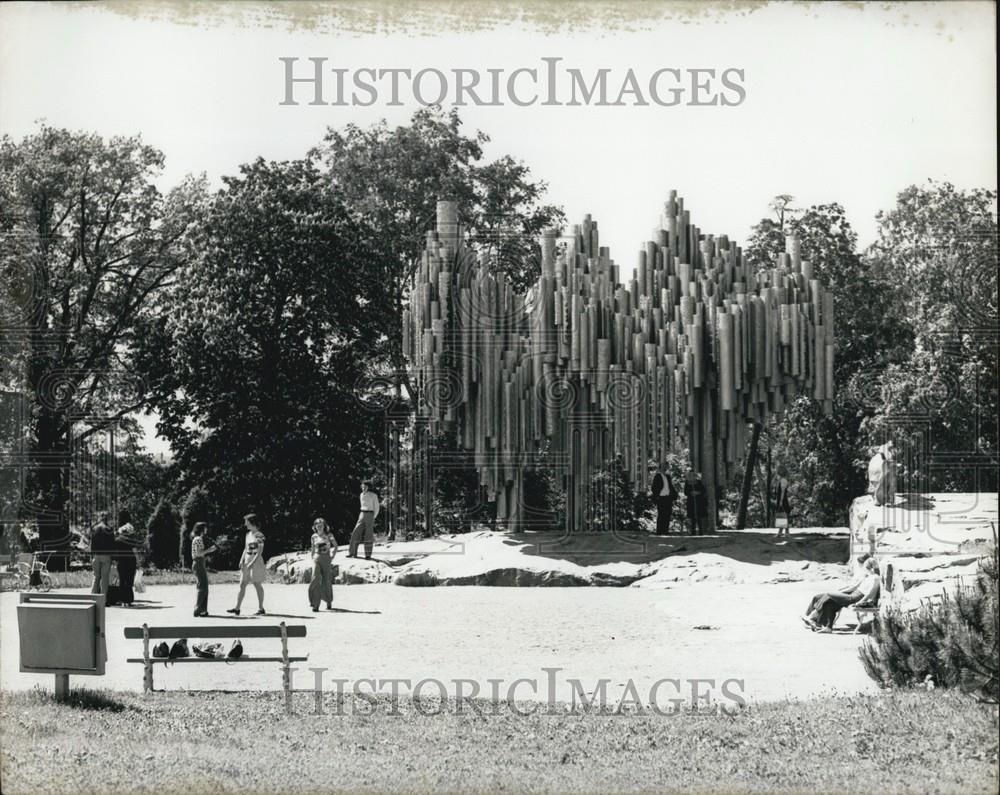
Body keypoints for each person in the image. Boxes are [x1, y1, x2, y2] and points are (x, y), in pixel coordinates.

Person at [801, 556, 880, 632]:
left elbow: (869, 594)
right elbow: (854, 587)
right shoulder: (868, 576)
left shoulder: (875, 578)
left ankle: (812, 616)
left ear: (870, 567)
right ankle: (828, 627)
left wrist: (859, 603)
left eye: (867, 567)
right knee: (829, 603)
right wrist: (840, 592)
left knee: (829, 594)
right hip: (852, 595)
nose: (866, 569)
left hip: (854, 598)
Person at [228, 514, 266, 616]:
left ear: (252, 522)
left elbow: (260, 551)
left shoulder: (259, 535)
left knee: (257, 583)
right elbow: (246, 548)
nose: (245, 524)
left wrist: (252, 563)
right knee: (242, 584)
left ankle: (261, 608)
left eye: (247, 522)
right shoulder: (248, 534)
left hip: (256, 560)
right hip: (247, 559)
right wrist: (242, 560)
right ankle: (237, 608)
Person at [113, 509, 145, 606]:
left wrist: (114, 561)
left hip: (121, 562)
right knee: (129, 580)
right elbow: (135, 551)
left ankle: (123, 601)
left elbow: (114, 552)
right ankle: (128, 600)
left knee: (122, 580)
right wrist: (138, 563)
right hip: (130, 561)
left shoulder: (117, 540)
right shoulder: (131, 540)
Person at [308, 518, 335, 612]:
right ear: (315, 526)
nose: (319, 526)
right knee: (315, 579)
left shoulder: (329, 535)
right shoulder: (313, 536)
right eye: (317, 525)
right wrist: (312, 558)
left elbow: (335, 546)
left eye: (321, 525)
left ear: (324, 526)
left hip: (326, 558)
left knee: (327, 580)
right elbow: (312, 548)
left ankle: (328, 601)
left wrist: (332, 556)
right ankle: (315, 604)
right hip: (316, 559)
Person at [191, 522, 217, 617]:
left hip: (199, 563)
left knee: (203, 586)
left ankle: (202, 610)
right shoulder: (198, 539)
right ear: (202, 529)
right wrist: (210, 550)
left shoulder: (197, 538)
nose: (206, 530)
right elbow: (198, 553)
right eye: (205, 528)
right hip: (198, 563)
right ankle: (198, 609)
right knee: (202, 587)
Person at [348, 481, 380, 559]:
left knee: (368, 535)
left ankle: (368, 555)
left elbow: (377, 507)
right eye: (362, 487)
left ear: (368, 487)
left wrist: (373, 517)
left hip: (370, 514)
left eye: (365, 487)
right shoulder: (361, 495)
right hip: (362, 514)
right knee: (356, 532)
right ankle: (352, 552)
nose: (363, 488)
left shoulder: (373, 495)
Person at [89, 511, 116, 597]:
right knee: (104, 578)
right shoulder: (109, 529)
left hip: (96, 555)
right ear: (107, 519)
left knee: (96, 577)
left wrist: (91, 555)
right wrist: (114, 557)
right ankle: (103, 599)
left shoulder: (94, 528)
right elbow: (112, 545)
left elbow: (92, 544)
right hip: (106, 556)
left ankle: (93, 597)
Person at [650, 463, 678, 536]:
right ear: (659, 468)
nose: (664, 469)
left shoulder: (668, 476)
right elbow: (654, 487)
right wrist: (657, 495)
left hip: (668, 497)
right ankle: (659, 531)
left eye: (665, 467)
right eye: (662, 467)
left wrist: (674, 495)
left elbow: (670, 486)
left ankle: (665, 530)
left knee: (668, 514)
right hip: (661, 497)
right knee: (661, 514)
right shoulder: (657, 476)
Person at [867, 441, 897, 506]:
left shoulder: (888, 452)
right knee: (880, 483)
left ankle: (886, 500)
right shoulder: (883, 453)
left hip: (885, 467)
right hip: (881, 468)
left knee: (887, 483)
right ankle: (880, 499)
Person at [684, 471, 707, 536]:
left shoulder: (699, 482)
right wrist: (691, 493)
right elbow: (685, 492)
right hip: (691, 501)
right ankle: (693, 531)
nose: (691, 476)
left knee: (699, 516)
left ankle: (700, 531)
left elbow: (703, 490)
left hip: (699, 501)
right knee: (692, 516)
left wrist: (698, 492)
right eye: (690, 475)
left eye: (693, 475)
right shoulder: (687, 482)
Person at [773, 470, 792, 539]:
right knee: (781, 516)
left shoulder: (783, 480)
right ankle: (780, 532)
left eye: (777, 474)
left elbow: (783, 491)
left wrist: (781, 500)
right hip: (780, 500)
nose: (776, 476)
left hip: (783, 500)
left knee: (784, 516)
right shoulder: (780, 481)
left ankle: (787, 532)